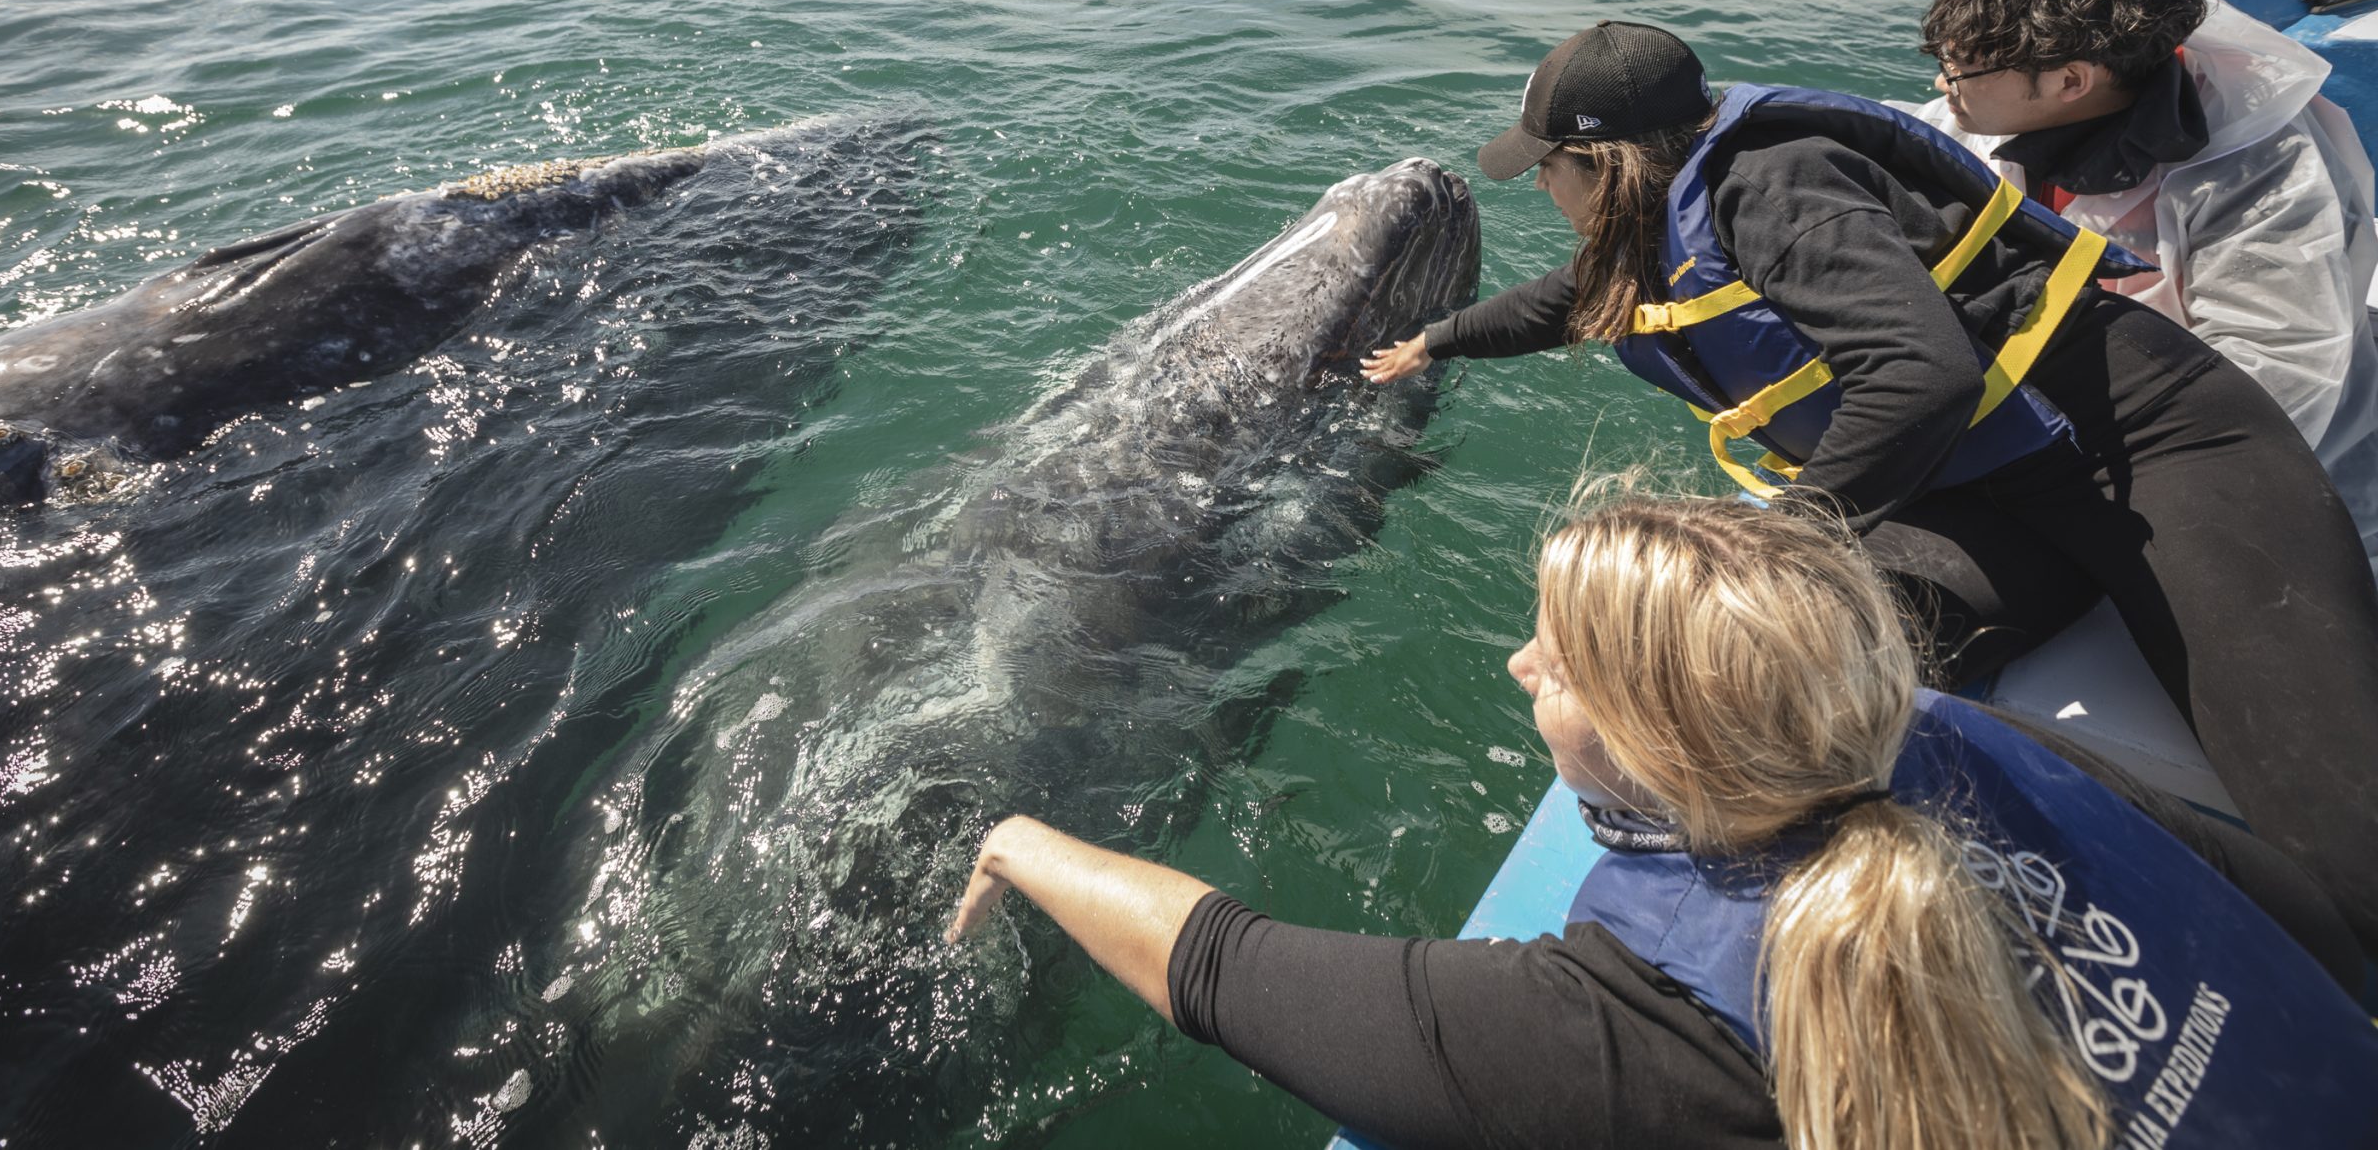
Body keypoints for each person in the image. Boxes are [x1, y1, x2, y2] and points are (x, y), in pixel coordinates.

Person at [1356, 19, 2378, 953]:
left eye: (1547, 169)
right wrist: (1434, 341)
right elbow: (1573, 301)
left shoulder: (1775, 187)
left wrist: (1785, 540)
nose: (1541, 189)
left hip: (2142, 456)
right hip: (1976, 501)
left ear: (1604, 160)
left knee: (2345, 854)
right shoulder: (1671, 211)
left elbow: (1922, 374)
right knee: (1757, 685)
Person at [946, 491, 2378, 1150]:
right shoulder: (1937, 730)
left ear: (1654, 749)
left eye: (1555, 661)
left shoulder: (1652, 1014)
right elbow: (2285, 913)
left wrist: (1017, 837)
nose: (1520, 666)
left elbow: (1220, 967)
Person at [1911, 0, 2378, 561]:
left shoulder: (2265, 177)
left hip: (2264, 474)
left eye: (1957, 72)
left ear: (2071, 82)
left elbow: (2275, 377)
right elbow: (1920, 135)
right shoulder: (2016, 100)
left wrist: (2076, 473)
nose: (1941, 84)